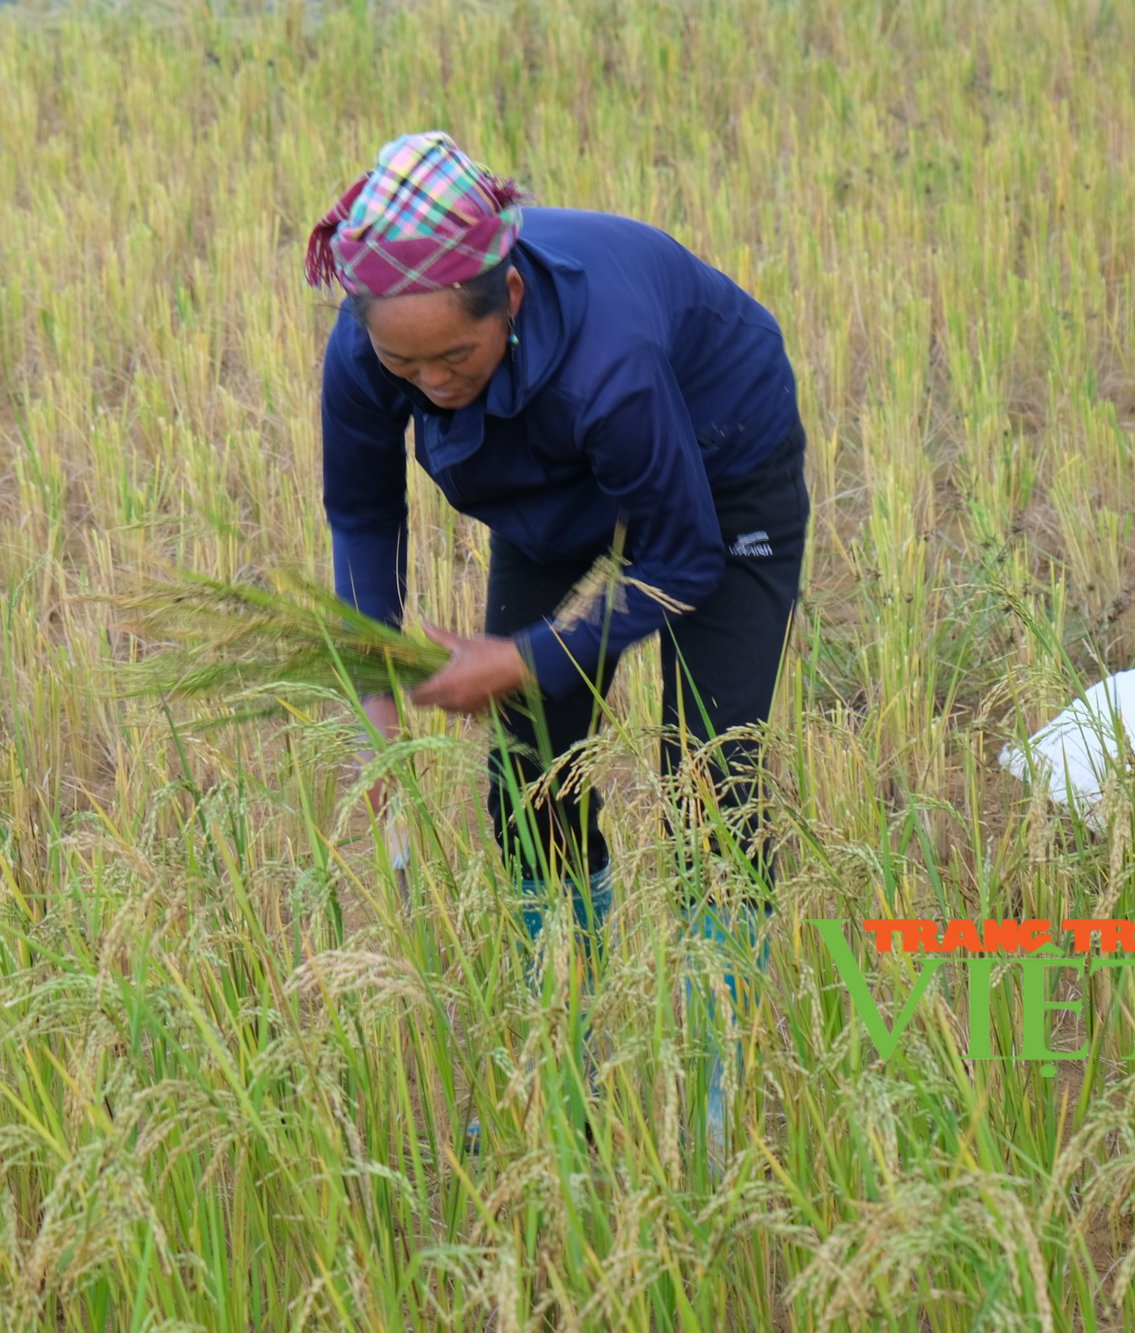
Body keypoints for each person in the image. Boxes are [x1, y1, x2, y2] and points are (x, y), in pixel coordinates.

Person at [307, 131, 809, 1162]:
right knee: (527, 778)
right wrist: (377, 699)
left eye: (455, 355)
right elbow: (361, 518)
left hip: (719, 466)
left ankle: (710, 1097)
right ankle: (562, 1056)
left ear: (512, 300)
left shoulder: (608, 363)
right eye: (407, 362)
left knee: (708, 783)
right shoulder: (368, 355)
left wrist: (528, 653)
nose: (431, 380)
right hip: (548, 485)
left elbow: (679, 562)